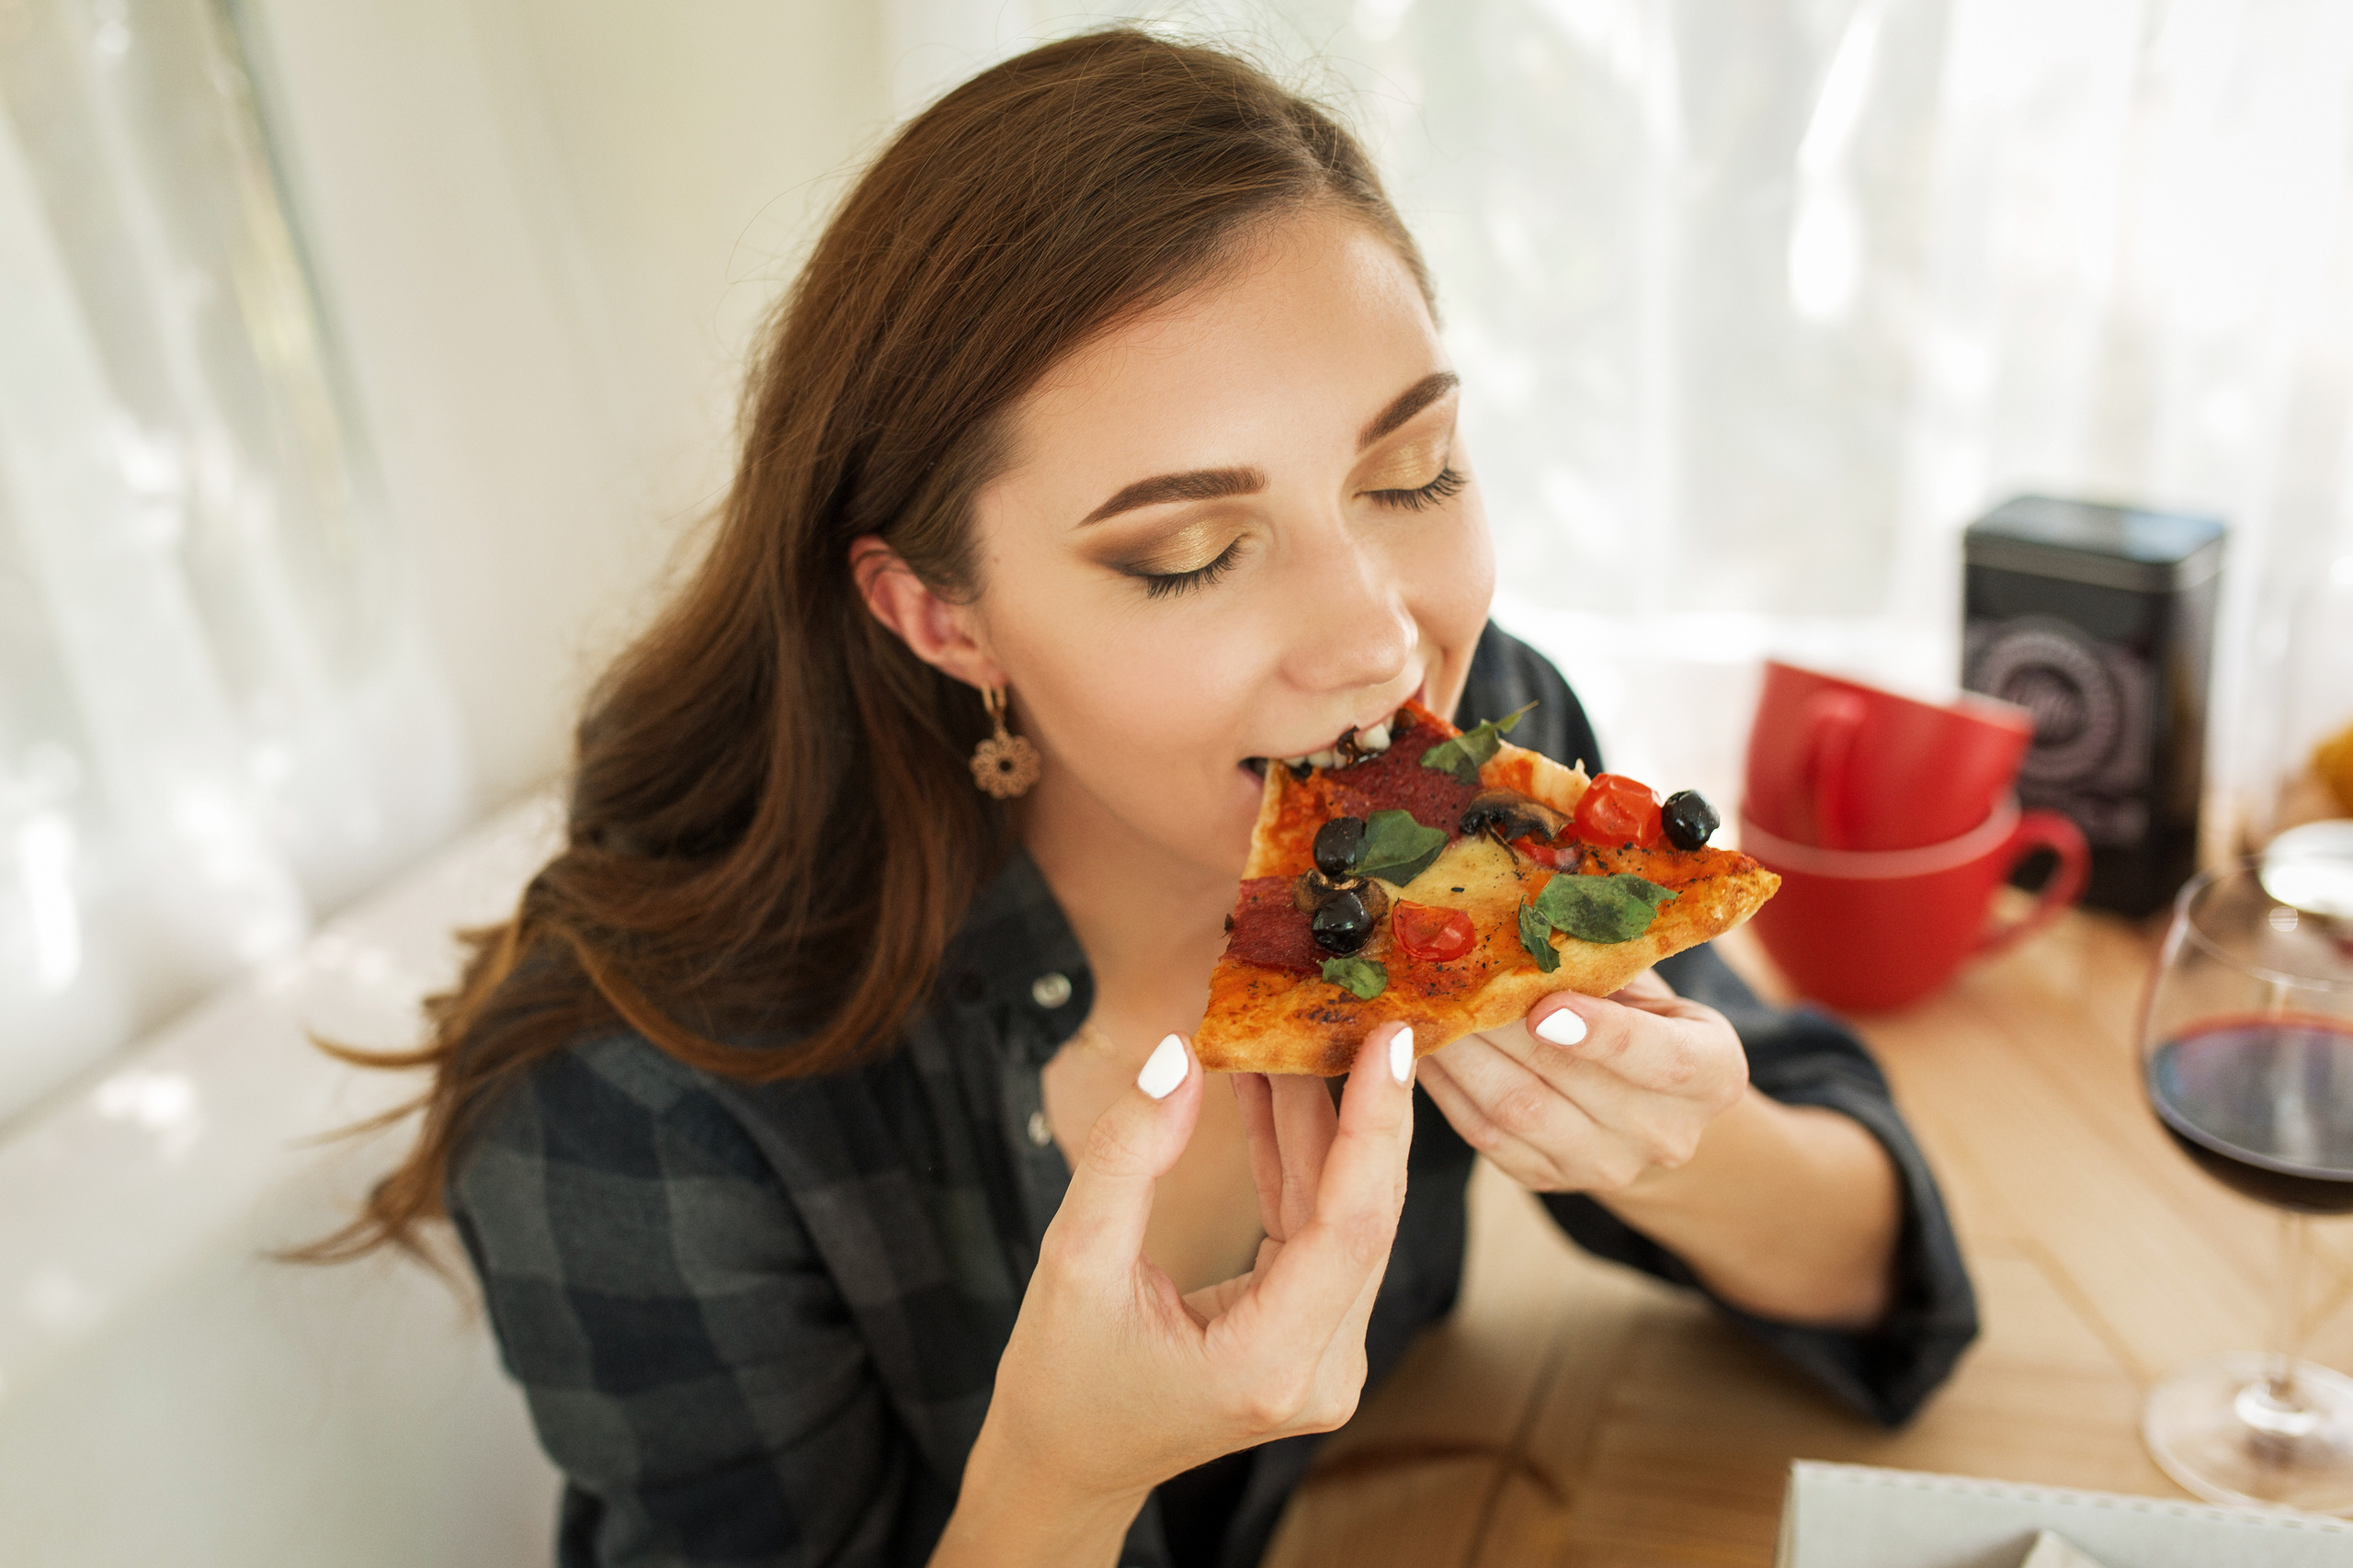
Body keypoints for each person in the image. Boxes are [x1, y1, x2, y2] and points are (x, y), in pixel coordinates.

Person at [325, 28, 1976, 1568]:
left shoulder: (1475, 754)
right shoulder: (634, 1099)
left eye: (1413, 474)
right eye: (1191, 553)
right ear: (941, 614)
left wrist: (1681, 1146)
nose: (1380, 638)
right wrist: (1064, 1474)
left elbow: (1881, 1262)